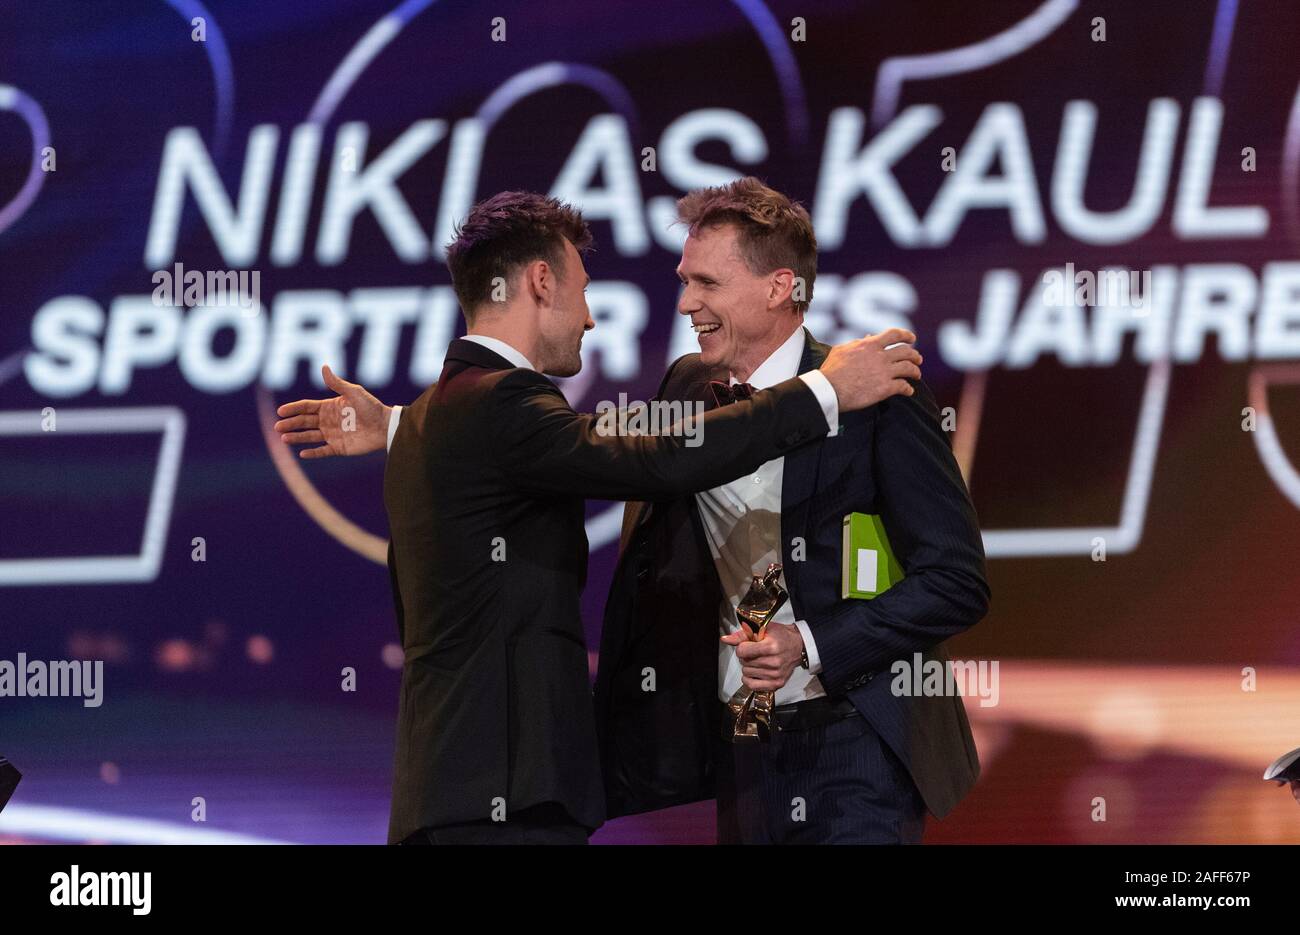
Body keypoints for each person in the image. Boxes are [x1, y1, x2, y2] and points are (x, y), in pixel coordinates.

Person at [273, 190, 923, 844]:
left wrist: (393, 424)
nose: (588, 318)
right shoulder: (504, 404)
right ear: (540, 280)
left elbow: (531, 444)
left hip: (450, 792)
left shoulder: (433, 420)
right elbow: (657, 455)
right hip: (507, 794)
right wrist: (825, 391)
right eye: (582, 291)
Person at [595, 178, 990, 843]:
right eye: (686, 281)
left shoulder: (878, 393)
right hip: (741, 742)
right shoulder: (687, 388)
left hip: (855, 737)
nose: (688, 302)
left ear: (780, 287)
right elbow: (591, 452)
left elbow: (956, 582)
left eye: (708, 284)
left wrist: (807, 644)